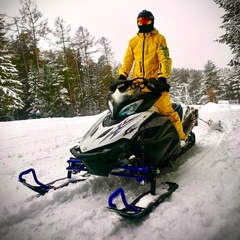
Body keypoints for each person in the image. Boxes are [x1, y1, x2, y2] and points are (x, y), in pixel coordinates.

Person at [118, 10, 186, 147]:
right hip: (137, 84)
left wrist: (162, 77)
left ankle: (181, 138)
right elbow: (127, 61)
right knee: (128, 114)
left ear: (152, 21)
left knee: (167, 112)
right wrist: (122, 76)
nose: (144, 24)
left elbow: (165, 59)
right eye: (141, 21)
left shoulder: (159, 39)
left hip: (155, 83)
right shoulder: (133, 42)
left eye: (146, 21)